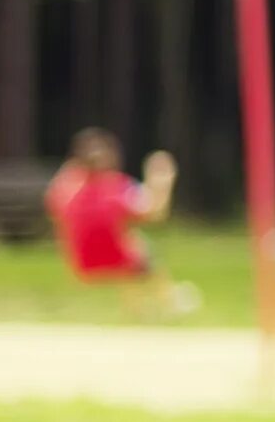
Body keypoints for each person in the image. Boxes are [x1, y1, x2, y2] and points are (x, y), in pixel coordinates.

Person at [45, 129, 197, 317]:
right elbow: (155, 214)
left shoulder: (66, 186)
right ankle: (165, 301)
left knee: (130, 243)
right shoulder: (117, 188)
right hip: (118, 259)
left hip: (81, 262)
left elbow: (54, 207)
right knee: (139, 246)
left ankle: (139, 309)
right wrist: (161, 182)